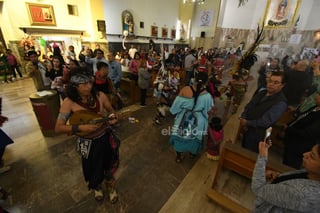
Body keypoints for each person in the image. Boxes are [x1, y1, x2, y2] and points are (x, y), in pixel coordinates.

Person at [55, 68, 120, 203]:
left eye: (89, 83)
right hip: (87, 142)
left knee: (108, 165)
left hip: (104, 138)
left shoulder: (100, 96)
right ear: (74, 86)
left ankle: (111, 188)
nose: (88, 87)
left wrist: (113, 118)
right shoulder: (69, 102)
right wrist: (80, 127)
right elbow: (58, 127)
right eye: (83, 84)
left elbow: (112, 112)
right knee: (92, 167)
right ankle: (97, 187)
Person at [251, 140, 320, 212]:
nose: (305, 154)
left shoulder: (302, 193)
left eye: (312, 156)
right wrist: (279, 178)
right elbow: (293, 181)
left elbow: (258, 188)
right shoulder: (310, 173)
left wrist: (262, 156)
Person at [169, 72, 213, 163]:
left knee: (179, 137)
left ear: (195, 79)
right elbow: (208, 111)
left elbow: (175, 107)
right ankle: (193, 154)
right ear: (206, 82)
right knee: (195, 138)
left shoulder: (185, 90)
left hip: (183, 118)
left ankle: (179, 157)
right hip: (198, 120)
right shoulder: (207, 96)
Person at [240, 71, 287, 153]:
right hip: (247, 129)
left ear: (282, 85)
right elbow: (249, 105)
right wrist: (244, 117)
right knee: (242, 149)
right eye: (270, 81)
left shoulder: (280, 103)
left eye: (276, 82)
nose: (271, 84)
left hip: (258, 136)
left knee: (249, 155)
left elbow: (265, 121)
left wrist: (247, 122)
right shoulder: (262, 92)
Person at [282, 91, 320, 169]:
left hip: (300, 146)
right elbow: (301, 118)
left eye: (319, 95)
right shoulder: (315, 107)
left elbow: (308, 133)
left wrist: (289, 129)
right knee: (285, 163)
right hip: (292, 141)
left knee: (288, 167)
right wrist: (290, 124)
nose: (316, 96)